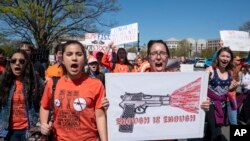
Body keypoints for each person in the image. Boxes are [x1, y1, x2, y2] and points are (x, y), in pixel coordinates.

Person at [40, 40, 107, 141]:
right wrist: (43, 124)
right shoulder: (52, 84)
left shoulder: (96, 85)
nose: (74, 58)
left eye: (79, 54)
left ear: (84, 60)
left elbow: (100, 116)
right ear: (62, 59)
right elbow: (44, 107)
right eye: (69, 54)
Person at [0, 49, 44, 141]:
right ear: (10, 63)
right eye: (13, 61)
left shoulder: (36, 81)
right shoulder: (3, 81)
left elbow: (45, 104)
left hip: (31, 130)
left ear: (26, 64)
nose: (17, 63)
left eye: (21, 61)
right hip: (8, 131)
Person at [204, 47, 237, 141]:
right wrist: (206, 75)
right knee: (217, 132)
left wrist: (231, 88)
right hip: (210, 105)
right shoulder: (211, 70)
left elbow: (226, 90)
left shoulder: (230, 73)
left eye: (228, 56)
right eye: (222, 55)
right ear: (218, 57)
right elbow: (200, 86)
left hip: (222, 105)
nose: (225, 58)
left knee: (210, 132)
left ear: (230, 59)